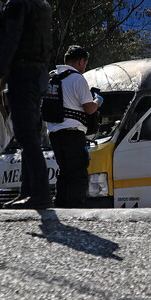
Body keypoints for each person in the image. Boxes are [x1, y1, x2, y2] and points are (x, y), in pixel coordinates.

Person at [0, 0, 53, 209]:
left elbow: (11, 42)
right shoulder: (41, 2)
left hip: (23, 74)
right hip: (37, 74)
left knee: (26, 135)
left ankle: (40, 194)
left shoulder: (18, 2)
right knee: (29, 134)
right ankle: (28, 192)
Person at [46, 45, 103, 207]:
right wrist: (98, 100)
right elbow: (89, 108)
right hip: (72, 134)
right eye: (85, 63)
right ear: (81, 61)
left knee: (64, 172)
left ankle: (61, 205)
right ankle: (76, 210)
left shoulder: (53, 78)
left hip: (54, 134)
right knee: (78, 174)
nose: (84, 67)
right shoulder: (77, 78)